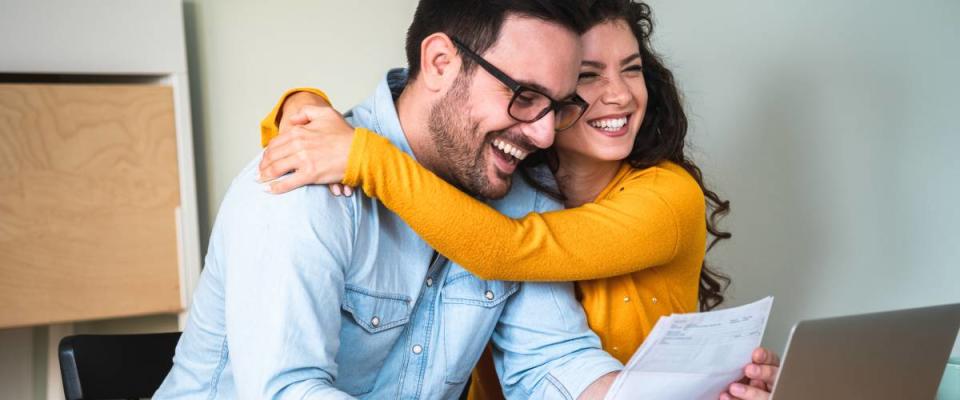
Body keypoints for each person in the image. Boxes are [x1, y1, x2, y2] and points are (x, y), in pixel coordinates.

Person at [256, 1, 778, 399]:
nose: (617, 95)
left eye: (632, 67)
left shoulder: (663, 196)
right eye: (585, 78)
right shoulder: (508, 181)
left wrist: (365, 155)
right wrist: (302, 110)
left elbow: (512, 262)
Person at [157, 1, 629, 398]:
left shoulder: (524, 197)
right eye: (525, 96)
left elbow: (552, 359)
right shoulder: (302, 184)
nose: (545, 134)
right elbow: (289, 392)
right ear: (441, 62)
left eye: (560, 106)